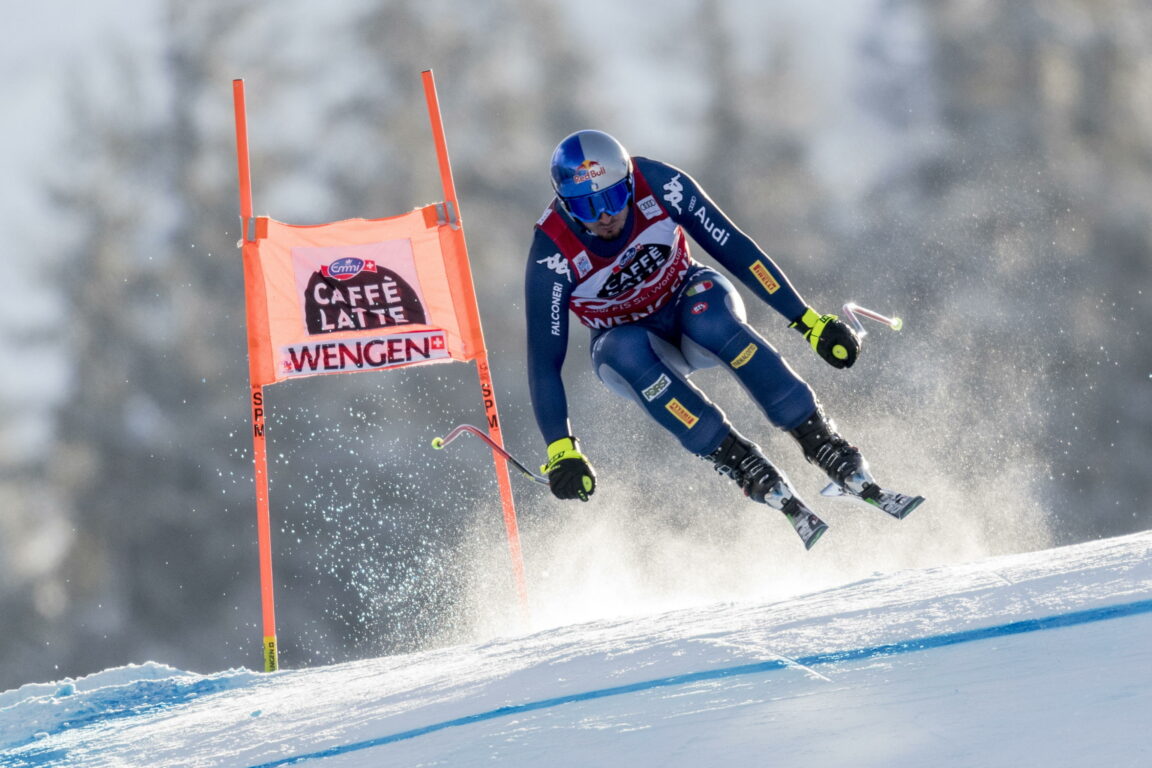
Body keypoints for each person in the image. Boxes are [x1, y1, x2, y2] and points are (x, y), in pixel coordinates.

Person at [524, 129, 921, 548]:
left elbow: (734, 247)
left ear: (629, 184)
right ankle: (739, 462)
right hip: (632, 344)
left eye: (613, 199)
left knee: (710, 317)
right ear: (566, 206)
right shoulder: (552, 252)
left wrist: (807, 321)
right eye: (587, 206)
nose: (604, 216)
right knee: (622, 349)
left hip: (690, 301)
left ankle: (823, 442)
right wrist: (560, 448)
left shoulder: (658, 185)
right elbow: (544, 360)